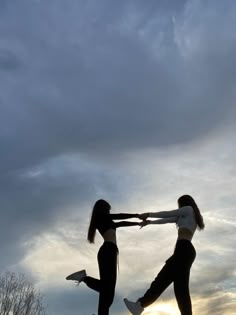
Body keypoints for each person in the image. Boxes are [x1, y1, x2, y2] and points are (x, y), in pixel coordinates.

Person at [124, 194, 205, 315]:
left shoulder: (188, 209)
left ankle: (140, 305)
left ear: (183, 203)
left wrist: (148, 213)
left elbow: (168, 213)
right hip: (184, 251)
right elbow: (166, 220)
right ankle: (140, 305)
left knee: (163, 280)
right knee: (180, 289)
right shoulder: (184, 216)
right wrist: (149, 222)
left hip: (183, 250)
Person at [66, 199, 141, 315]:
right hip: (107, 252)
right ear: (104, 209)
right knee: (108, 290)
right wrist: (136, 215)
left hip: (109, 252)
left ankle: (84, 279)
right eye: (109, 210)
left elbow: (120, 223)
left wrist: (137, 223)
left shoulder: (106, 220)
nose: (110, 212)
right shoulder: (101, 218)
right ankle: (84, 278)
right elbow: (120, 216)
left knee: (107, 293)